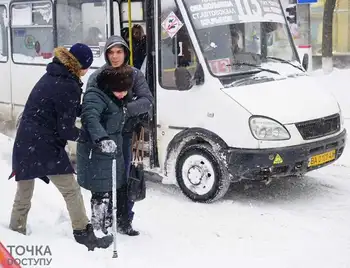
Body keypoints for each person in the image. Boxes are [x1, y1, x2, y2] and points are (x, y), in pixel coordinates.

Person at [8, 43, 113, 251]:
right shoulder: (68, 84)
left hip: (25, 142)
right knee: (71, 190)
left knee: (24, 193)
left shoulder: (55, 74)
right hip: (44, 146)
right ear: (80, 66)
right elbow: (66, 129)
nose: (86, 73)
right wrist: (91, 138)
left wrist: (87, 109)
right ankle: (84, 234)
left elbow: (62, 107)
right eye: (87, 68)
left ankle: (15, 234)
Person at [86, 35, 154, 236]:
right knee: (106, 178)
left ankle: (125, 220)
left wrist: (125, 109)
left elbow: (147, 101)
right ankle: (102, 221)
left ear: (126, 53)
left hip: (134, 134)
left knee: (132, 177)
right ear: (106, 55)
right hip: (108, 135)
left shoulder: (135, 75)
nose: (115, 56)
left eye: (119, 52)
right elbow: (90, 104)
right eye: (111, 52)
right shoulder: (98, 76)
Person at [77, 65, 133, 235]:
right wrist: (102, 138)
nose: (123, 94)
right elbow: (90, 118)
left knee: (110, 189)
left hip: (112, 151)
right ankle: (98, 229)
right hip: (97, 151)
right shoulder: (95, 96)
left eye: (125, 91)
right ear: (109, 87)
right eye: (119, 91)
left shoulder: (116, 95)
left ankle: (107, 224)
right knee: (101, 193)